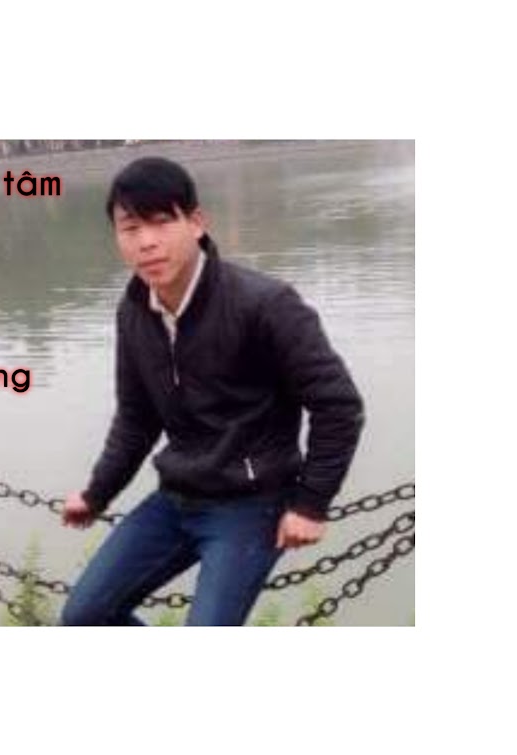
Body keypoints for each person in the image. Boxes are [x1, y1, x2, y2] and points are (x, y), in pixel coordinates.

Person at [59, 157, 365, 626]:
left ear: (197, 222)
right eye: (131, 227)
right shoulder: (135, 311)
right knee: (85, 617)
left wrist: (310, 504)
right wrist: (97, 494)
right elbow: (137, 418)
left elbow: (338, 406)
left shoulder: (265, 304)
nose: (147, 241)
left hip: (253, 503)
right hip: (177, 496)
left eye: (162, 222)